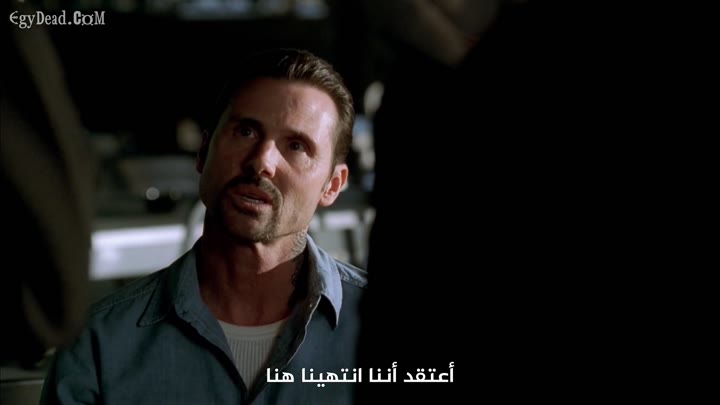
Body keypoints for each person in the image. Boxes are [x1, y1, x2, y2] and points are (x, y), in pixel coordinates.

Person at [40, 48, 367, 405]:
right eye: (245, 131)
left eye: (296, 146)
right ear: (203, 151)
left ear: (333, 185)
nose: (262, 161)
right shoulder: (100, 344)